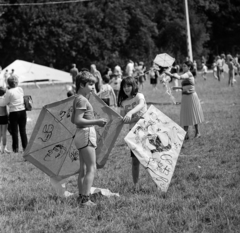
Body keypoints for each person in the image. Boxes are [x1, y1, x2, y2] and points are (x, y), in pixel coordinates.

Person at [71, 71, 107, 206]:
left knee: (83, 170)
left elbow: (73, 119)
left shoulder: (77, 98)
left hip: (81, 135)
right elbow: (77, 120)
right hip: (86, 134)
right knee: (92, 168)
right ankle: (85, 200)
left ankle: (81, 197)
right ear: (82, 84)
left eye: (94, 84)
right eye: (91, 84)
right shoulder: (82, 99)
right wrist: (96, 121)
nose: (93, 87)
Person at [117, 76, 148, 185]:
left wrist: (130, 113)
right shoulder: (124, 103)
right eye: (124, 86)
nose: (126, 88)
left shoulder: (139, 96)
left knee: (151, 159)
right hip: (133, 134)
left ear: (134, 86)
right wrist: (134, 118)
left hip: (146, 131)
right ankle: (136, 185)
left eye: (129, 86)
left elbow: (141, 105)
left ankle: (159, 183)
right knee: (135, 162)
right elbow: (122, 120)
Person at [165, 61, 204, 139]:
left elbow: (179, 77)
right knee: (185, 115)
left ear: (189, 67)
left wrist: (169, 74)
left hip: (191, 97)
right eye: (183, 66)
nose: (183, 67)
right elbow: (186, 86)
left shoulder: (188, 74)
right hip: (185, 97)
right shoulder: (186, 74)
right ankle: (186, 135)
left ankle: (197, 132)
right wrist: (176, 88)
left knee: (193, 114)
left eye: (185, 66)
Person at [0, 75, 28, 153]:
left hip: (14, 112)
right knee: (23, 131)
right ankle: (25, 147)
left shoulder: (9, 92)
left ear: (8, 83)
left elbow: (4, 103)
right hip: (22, 111)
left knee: (15, 131)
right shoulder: (20, 89)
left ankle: (15, 149)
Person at [0, 87, 10, 154]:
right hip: (4, 117)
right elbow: (7, 110)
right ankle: (4, 148)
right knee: (4, 134)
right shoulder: (4, 100)